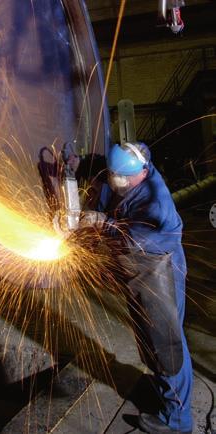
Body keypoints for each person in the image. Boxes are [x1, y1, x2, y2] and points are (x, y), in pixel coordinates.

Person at [78, 142, 193, 434]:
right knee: (149, 338)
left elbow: (135, 239)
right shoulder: (134, 162)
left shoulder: (156, 204)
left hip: (159, 270)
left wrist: (104, 224)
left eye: (122, 179)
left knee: (165, 342)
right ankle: (164, 395)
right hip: (140, 271)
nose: (117, 182)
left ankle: (177, 422)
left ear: (141, 173)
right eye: (114, 175)